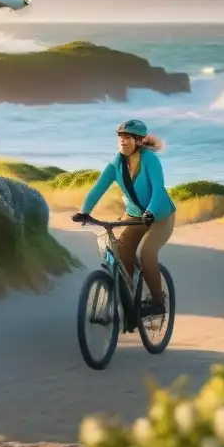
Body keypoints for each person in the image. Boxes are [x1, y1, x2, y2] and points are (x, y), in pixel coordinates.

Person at [72, 119, 176, 317]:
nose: (123, 141)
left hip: (160, 217)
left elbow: (159, 190)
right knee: (121, 253)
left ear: (138, 141)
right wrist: (84, 211)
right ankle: (129, 301)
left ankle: (157, 303)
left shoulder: (150, 160)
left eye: (127, 137)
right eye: (120, 137)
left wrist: (151, 212)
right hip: (135, 217)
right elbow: (98, 189)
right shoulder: (116, 164)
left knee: (146, 253)